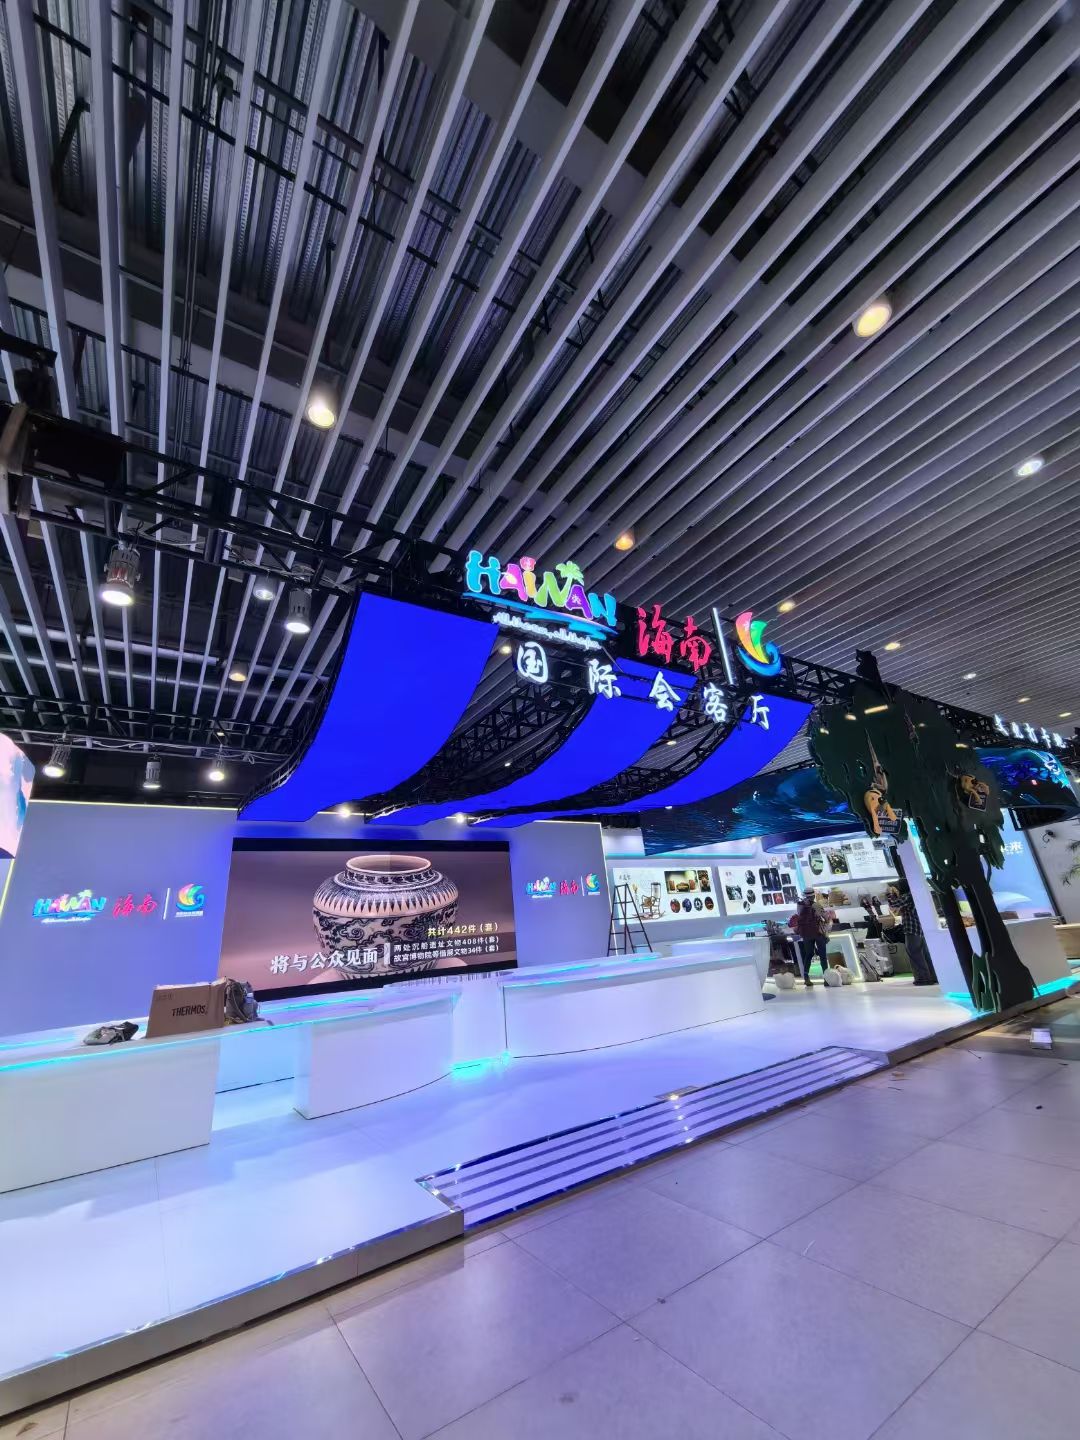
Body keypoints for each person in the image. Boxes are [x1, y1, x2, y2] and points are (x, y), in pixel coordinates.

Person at [885, 882, 938, 986]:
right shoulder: (917, 895)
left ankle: (923, 978)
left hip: (912, 928)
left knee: (915, 954)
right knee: (924, 954)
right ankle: (932, 977)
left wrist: (890, 895)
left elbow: (893, 904)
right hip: (920, 928)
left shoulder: (908, 896)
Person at [788, 890, 830, 987]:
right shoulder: (816, 905)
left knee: (809, 954)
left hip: (806, 934)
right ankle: (826, 979)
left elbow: (799, 917)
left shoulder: (800, 905)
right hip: (817, 933)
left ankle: (806, 978)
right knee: (822, 956)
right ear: (813, 895)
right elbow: (825, 917)